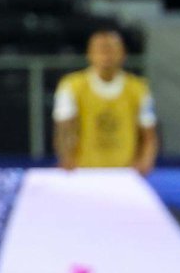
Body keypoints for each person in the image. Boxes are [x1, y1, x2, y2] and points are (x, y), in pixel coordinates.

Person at [53, 30, 158, 174]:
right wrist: (66, 158)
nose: (106, 56)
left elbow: (149, 135)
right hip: (85, 170)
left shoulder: (139, 89)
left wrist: (146, 161)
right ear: (89, 54)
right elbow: (64, 128)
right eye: (101, 50)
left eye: (111, 50)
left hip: (125, 173)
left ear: (123, 54)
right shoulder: (71, 85)